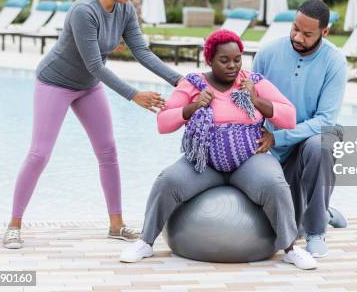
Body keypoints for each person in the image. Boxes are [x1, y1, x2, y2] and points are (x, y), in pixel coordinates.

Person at [3, 0, 182, 249]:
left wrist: (180, 80)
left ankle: (116, 225)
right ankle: (14, 226)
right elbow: (95, 65)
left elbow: (141, 51)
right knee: (39, 153)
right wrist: (134, 95)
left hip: (87, 86)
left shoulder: (125, 10)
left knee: (108, 150)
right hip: (55, 82)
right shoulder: (84, 11)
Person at [119, 30, 318, 270]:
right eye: (225, 60)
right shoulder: (192, 83)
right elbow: (163, 123)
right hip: (204, 163)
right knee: (167, 181)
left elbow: (289, 117)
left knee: (275, 185)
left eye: (237, 59)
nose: (233, 65)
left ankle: (290, 249)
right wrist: (193, 106)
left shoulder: (252, 81)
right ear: (210, 60)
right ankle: (145, 242)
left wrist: (255, 99)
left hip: (249, 161)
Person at [252, 0, 348, 258]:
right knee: (290, 226)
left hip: (310, 136)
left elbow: (325, 120)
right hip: (272, 141)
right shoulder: (267, 53)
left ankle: (317, 231)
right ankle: (324, 211)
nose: (297, 37)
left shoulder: (335, 62)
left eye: (307, 34)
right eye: (295, 28)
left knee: (321, 146)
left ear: (324, 33)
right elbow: (251, 104)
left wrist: (278, 137)